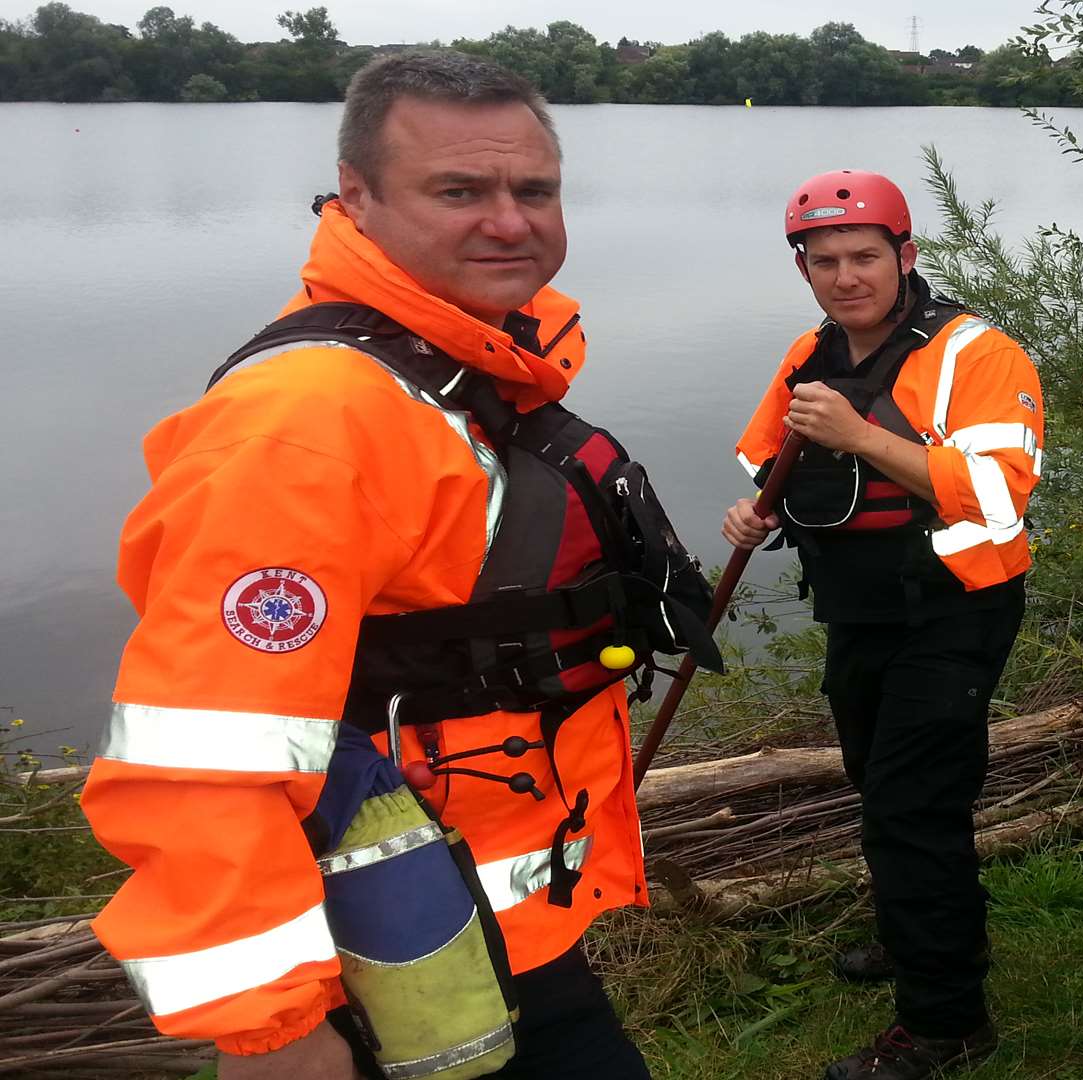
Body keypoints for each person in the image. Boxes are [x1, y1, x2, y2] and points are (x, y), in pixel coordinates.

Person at [80, 51, 703, 1079]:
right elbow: (201, 759)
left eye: (533, 190)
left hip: (498, 924)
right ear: (357, 198)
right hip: (383, 955)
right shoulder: (305, 427)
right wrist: (274, 1034)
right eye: (459, 191)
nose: (510, 221)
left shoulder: (475, 370)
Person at [723, 170, 1044, 1080]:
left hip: (955, 603)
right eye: (823, 261)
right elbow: (777, 467)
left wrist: (863, 435)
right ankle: (917, 935)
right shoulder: (810, 353)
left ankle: (946, 1022)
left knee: (914, 804)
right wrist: (760, 515)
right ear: (804, 269)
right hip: (857, 605)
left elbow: (1000, 494)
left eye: (865, 256)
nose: (845, 276)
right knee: (879, 781)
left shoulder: (979, 355)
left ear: (905, 256)